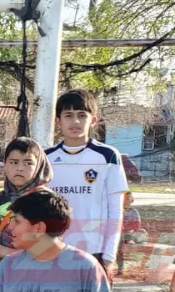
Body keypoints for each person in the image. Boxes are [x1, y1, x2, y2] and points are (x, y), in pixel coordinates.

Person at [44, 89, 129, 275]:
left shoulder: (108, 156)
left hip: (93, 252)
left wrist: (109, 255)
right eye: (68, 115)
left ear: (93, 120)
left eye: (82, 115)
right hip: (52, 251)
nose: (75, 121)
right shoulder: (46, 157)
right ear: (58, 121)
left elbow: (116, 210)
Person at [0, 137, 53, 289]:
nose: (20, 168)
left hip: (39, 281)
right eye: (14, 162)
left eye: (28, 163)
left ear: (39, 165)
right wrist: (11, 254)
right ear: (5, 165)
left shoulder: (49, 202)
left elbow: (55, 240)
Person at [118, 191, 147, 274]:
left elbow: (136, 225)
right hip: (120, 233)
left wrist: (126, 228)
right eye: (124, 198)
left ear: (132, 200)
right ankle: (121, 268)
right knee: (119, 244)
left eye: (128, 198)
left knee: (141, 233)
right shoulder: (117, 210)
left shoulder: (134, 211)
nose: (126, 200)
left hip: (129, 233)